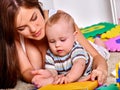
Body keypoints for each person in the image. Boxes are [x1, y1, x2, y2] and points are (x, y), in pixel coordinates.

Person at [0, 0, 109, 88]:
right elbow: (26, 71)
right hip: (61, 66)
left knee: (102, 50)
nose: (33, 29)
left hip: (80, 56)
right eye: (22, 28)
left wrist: (101, 70)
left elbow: (96, 56)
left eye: (34, 18)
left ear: (37, 5)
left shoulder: (59, 20)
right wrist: (36, 77)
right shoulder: (16, 37)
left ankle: (99, 41)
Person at [45, 12, 93, 84]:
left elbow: (79, 65)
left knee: (102, 50)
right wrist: (54, 77)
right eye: (52, 41)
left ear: (75, 37)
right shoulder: (49, 55)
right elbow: (51, 70)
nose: (57, 45)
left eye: (62, 40)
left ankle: (99, 42)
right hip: (67, 74)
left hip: (88, 60)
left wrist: (68, 78)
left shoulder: (76, 49)